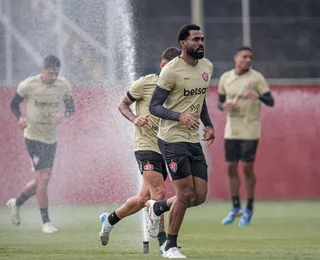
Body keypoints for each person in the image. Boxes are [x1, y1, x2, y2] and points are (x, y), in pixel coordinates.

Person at [98, 47, 181, 254]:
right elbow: (123, 104)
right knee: (159, 193)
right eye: (173, 67)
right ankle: (164, 244)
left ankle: (108, 220)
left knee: (143, 200)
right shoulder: (145, 83)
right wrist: (135, 118)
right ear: (163, 66)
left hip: (166, 146)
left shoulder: (178, 86)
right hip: (145, 146)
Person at [147, 24, 215, 259]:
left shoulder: (207, 66)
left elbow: (201, 98)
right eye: (196, 39)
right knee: (185, 195)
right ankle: (169, 246)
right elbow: (153, 106)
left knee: (199, 197)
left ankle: (157, 207)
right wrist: (179, 116)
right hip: (172, 139)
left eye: (202, 38)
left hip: (193, 139)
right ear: (183, 44)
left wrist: (208, 124)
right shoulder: (172, 70)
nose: (201, 42)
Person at [7, 55, 75, 233]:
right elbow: (14, 104)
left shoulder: (63, 85)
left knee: (41, 180)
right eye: (50, 73)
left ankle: (17, 202)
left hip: (51, 138)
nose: (53, 77)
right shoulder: (28, 84)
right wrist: (20, 117)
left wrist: (63, 115)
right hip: (33, 137)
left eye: (55, 74)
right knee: (43, 178)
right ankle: (46, 222)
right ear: (43, 70)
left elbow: (71, 109)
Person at [217, 46, 274, 227]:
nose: (248, 60)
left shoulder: (256, 78)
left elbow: (270, 101)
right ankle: (236, 206)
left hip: (250, 129)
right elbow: (219, 101)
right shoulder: (226, 77)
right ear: (236, 58)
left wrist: (258, 96)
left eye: (250, 57)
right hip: (231, 130)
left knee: (247, 168)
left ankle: (249, 207)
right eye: (244, 57)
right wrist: (224, 106)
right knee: (231, 168)